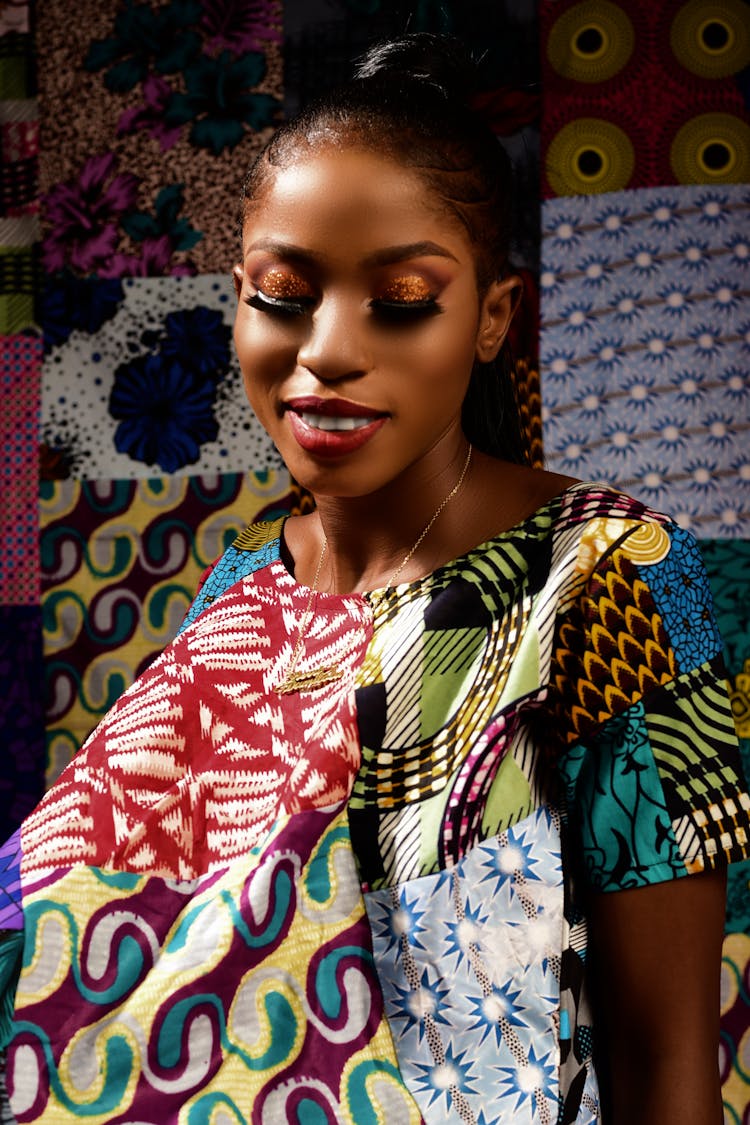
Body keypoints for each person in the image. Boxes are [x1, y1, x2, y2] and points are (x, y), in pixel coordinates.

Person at [0, 32, 747, 1125]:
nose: (327, 351)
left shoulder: (629, 572)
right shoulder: (245, 585)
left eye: (399, 298)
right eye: (282, 294)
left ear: (493, 317)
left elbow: (670, 1052)